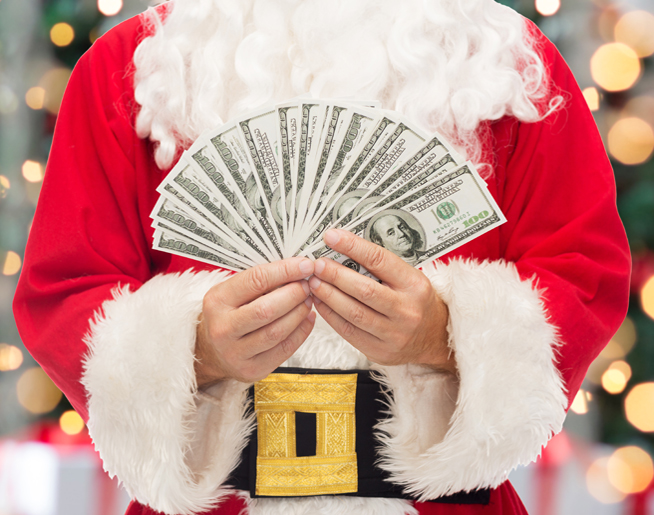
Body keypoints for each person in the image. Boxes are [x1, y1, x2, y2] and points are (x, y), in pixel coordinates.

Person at [12, 0, 631, 514]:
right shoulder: (134, 67)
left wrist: (444, 335)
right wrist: (195, 345)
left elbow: (583, 271)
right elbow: (67, 288)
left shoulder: (507, 67)